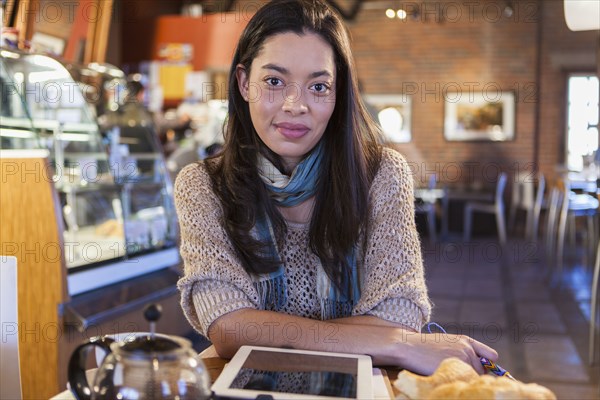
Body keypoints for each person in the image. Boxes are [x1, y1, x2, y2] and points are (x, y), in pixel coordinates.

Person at [175, 0, 498, 375]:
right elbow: (229, 327)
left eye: (318, 86)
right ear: (245, 83)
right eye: (274, 81)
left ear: (338, 92)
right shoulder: (204, 185)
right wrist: (398, 344)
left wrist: (264, 330)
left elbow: (400, 315)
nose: (296, 105)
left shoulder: (382, 174)